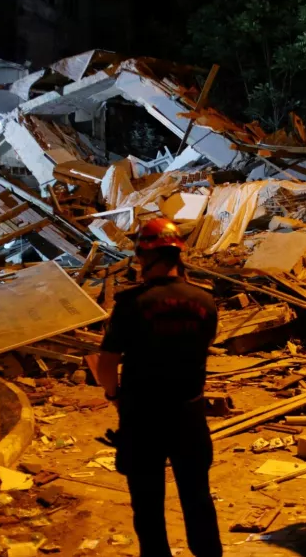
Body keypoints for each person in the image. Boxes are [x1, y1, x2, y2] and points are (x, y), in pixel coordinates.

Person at [95, 218, 222, 557]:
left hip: (142, 417)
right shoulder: (205, 302)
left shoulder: (131, 303)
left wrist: (114, 396)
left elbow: (106, 364)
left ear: (143, 255)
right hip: (189, 415)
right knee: (197, 495)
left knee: (148, 503)